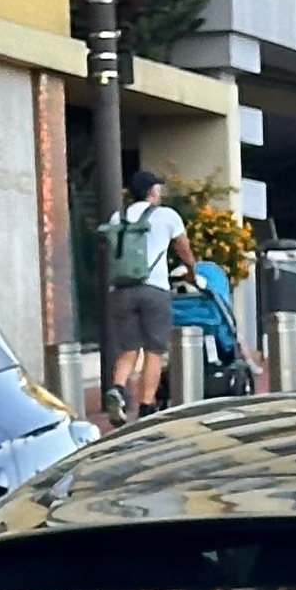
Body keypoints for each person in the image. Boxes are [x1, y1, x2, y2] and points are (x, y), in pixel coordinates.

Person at [98, 168, 193, 428]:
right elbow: (183, 248)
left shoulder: (119, 217)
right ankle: (147, 406)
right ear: (152, 192)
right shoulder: (166, 216)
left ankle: (118, 388)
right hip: (154, 290)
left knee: (128, 349)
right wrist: (192, 271)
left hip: (121, 290)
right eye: (158, 188)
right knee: (153, 351)